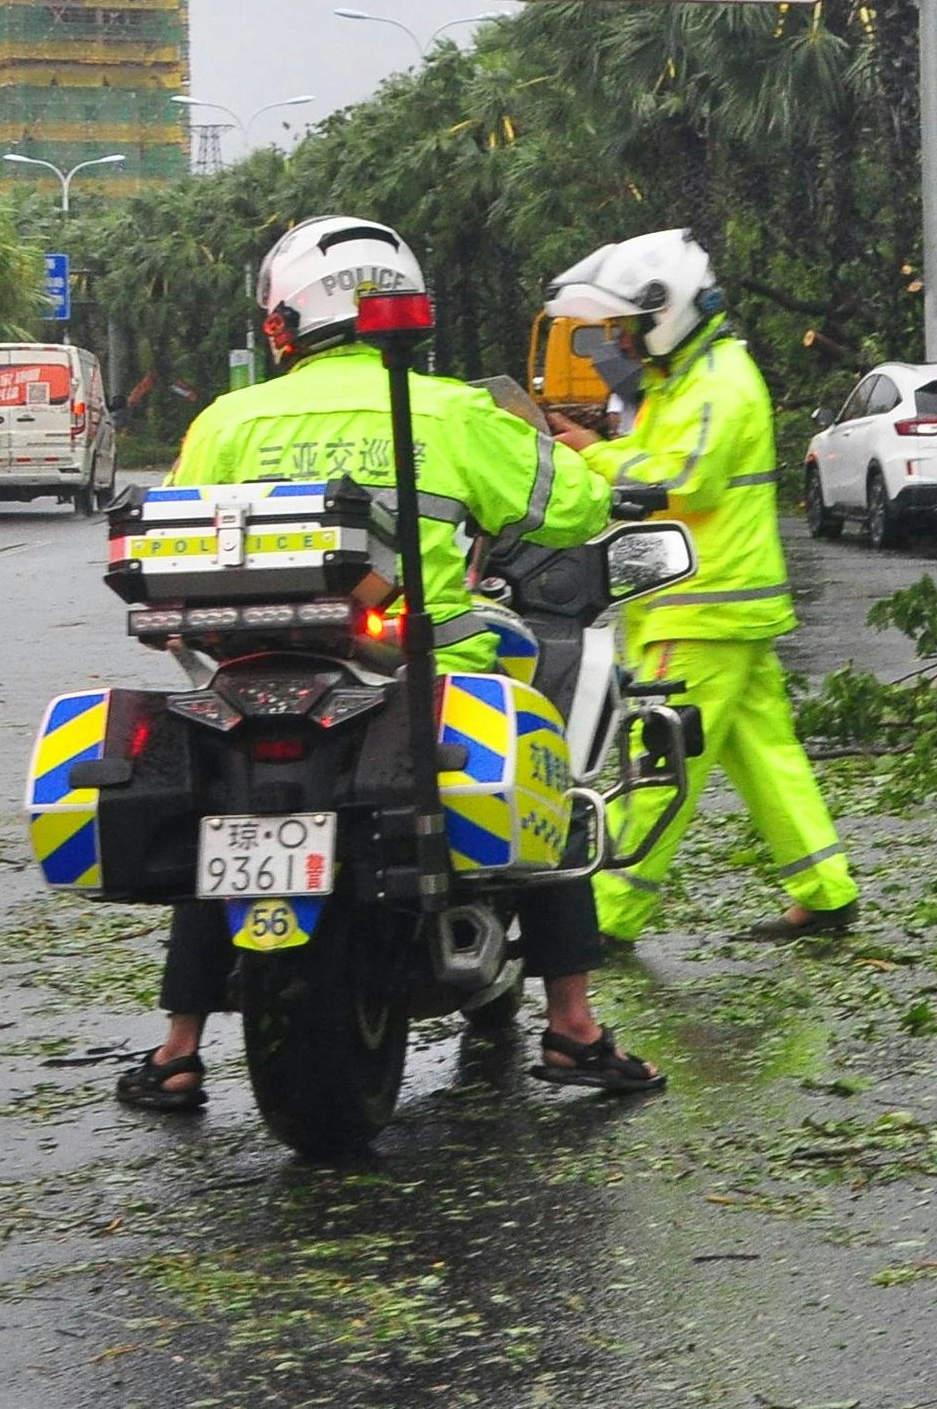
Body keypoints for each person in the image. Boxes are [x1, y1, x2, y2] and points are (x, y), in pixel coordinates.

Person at [117, 216, 664, 1112]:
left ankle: (178, 1051)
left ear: (285, 320)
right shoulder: (448, 411)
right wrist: (607, 478)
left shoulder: (227, 420)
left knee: (226, 818)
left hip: (254, 668)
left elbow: (178, 537)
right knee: (553, 783)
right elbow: (569, 509)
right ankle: (571, 1026)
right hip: (426, 661)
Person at [541, 229, 859, 945]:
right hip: (718, 603)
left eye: (628, 326)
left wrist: (592, 458)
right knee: (766, 755)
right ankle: (826, 890)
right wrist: (600, 450)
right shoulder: (689, 378)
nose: (620, 342)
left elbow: (685, 479)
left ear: (667, 312)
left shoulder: (717, 381)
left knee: (657, 761)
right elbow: (661, 458)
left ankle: (606, 916)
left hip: (699, 607)